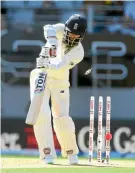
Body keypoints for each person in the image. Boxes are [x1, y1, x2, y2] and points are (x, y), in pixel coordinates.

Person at [29, 14, 87, 165]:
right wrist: (52, 40)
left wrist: (49, 64)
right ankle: (47, 154)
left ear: (82, 36)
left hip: (60, 80)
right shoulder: (60, 29)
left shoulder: (78, 52)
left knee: (62, 118)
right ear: (66, 29)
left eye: (76, 35)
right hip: (42, 75)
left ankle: (71, 153)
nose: (72, 37)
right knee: (42, 113)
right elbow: (48, 27)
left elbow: (61, 65)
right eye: (70, 33)